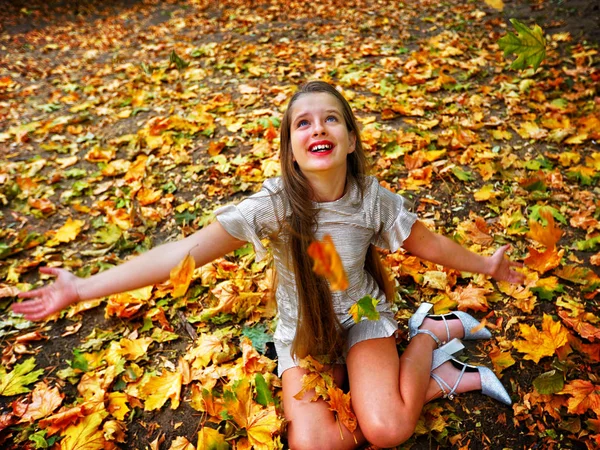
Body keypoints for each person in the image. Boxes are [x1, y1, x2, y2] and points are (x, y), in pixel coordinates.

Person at [13, 81, 525, 449]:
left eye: (330, 118)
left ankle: (429, 340)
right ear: (291, 150)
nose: (317, 128)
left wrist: (488, 264)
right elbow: (181, 252)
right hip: (303, 333)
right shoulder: (272, 206)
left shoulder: (374, 200)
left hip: (364, 312)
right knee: (321, 443)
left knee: (387, 430)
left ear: (350, 138)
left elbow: (428, 245)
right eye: (303, 122)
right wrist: (83, 288)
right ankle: (434, 353)